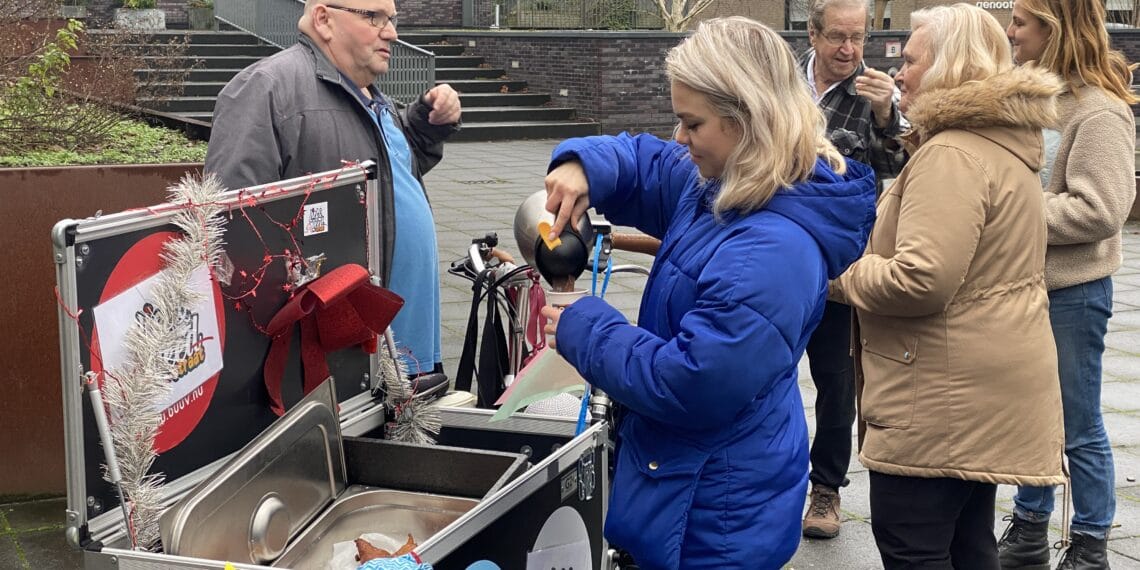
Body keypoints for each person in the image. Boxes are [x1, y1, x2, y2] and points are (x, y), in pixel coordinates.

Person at [540, 17, 877, 569]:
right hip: (691, 483)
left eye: (692, 123)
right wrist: (583, 167)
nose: (679, 137)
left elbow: (696, 381)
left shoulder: (773, 247)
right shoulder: (728, 182)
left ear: (747, 120)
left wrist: (586, 326)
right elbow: (647, 162)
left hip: (715, 512)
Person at [829, 4, 1066, 568]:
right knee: (968, 546)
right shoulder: (996, 142)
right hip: (975, 390)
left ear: (948, 67)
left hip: (940, 395)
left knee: (913, 544)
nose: (899, 72)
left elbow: (921, 280)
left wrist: (837, 276)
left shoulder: (952, 154)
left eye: (910, 59)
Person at [205, 0, 461, 378]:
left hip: (410, 347)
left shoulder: (371, 96)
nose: (391, 32)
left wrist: (423, 125)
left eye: (391, 19)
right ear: (323, 19)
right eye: (374, 17)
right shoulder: (265, 90)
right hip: (343, 364)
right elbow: (232, 231)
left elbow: (391, 176)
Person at [998, 0, 1138, 568]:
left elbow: (1102, 210)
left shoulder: (1098, 110)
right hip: (1026, 286)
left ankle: (1090, 543)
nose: (1011, 32)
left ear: (1053, 32)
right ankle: (1030, 529)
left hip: (1073, 293)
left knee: (1077, 422)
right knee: (1032, 416)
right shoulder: (1039, 99)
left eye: (1021, 23)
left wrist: (1011, 209)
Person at [799, 0, 910, 539]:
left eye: (859, 38)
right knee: (755, 369)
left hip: (842, 263)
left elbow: (899, 168)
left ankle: (826, 489)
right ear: (813, 33)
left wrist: (889, 117)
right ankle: (756, 477)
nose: (849, 50)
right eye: (839, 37)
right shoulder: (781, 82)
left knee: (836, 382)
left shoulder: (874, 92)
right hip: (776, 252)